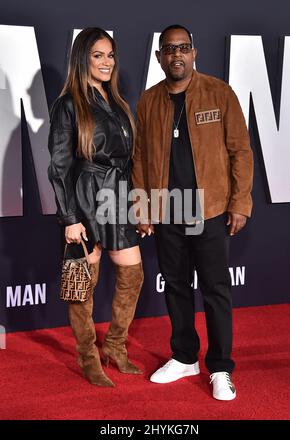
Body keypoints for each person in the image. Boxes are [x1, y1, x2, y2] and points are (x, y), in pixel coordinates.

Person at [132, 24, 253, 400]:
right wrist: (144, 208)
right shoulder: (148, 101)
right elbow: (139, 159)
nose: (177, 55)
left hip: (212, 210)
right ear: (159, 57)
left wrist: (240, 203)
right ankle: (185, 356)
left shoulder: (220, 92)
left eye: (183, 48)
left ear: (194, 52)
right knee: (177, 288)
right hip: (168, 213)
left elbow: (241, 152)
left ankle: (219, 366)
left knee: (216, 290)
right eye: (169, 49)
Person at [48, 27, 144, 387]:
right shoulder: (69, 104)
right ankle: (88, 357)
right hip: (86, 195)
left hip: (119, 195)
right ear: (82, 59)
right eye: (98, 56)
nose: (107, 62)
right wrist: (70, 219)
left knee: (133, 274)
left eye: (110, 55)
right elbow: (58, 167)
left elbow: (130, 159)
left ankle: (115, 347)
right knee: (81, 284)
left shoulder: (117, 102)